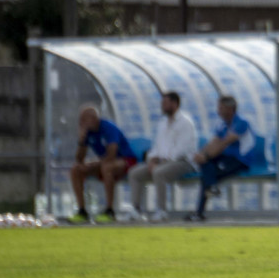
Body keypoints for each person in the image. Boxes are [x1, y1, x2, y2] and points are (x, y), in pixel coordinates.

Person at [125, 91, 198, 222]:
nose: (162, 106)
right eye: (162, 103)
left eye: (165, 103)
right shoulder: (162, 123)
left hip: (183, 163)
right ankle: (136, 210)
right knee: (134, 173)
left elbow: (182, 150)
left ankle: (162, 211)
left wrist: (160, 162)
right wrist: (152, 159)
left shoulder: (185, 122)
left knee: (159, 172)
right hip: (161, 163)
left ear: (175, 104)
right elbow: (157, 147)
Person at [185, 95, 256, 221]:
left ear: (230, 109)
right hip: (226, 158)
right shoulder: (222, 124)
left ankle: (200, 212)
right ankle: (211, 189)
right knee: (206, 167)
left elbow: (224, 143)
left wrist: (205, 156)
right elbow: (214, 142)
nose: (218, 111)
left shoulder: (241, 122)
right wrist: (200, 155)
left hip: (241, 160)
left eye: (221, 108)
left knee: (206, 175)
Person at [68, 106, 137, 224]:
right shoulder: (88, 132)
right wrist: (81, 140)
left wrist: (93, 164)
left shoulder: (108, 128)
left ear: (94, 119)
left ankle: (109, 211)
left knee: (107, 167)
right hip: (104, 162)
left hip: (125, 160)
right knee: (76, 169)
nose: (81, 123)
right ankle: (82, 211)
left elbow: (112, 155)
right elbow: (79, 159)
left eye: (84, 119)